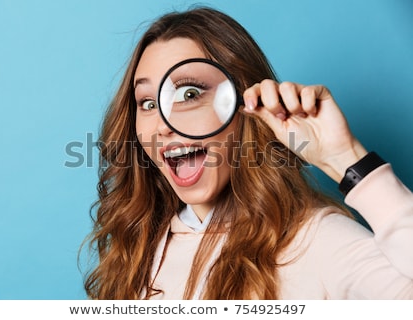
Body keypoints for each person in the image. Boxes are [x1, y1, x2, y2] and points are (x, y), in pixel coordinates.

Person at [83, 7, 413, 299]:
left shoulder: (316, 240)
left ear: (243, 104)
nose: (162, 125)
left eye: (189, 93)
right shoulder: (137, 249)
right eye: (148, 103)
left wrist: (345, 158)